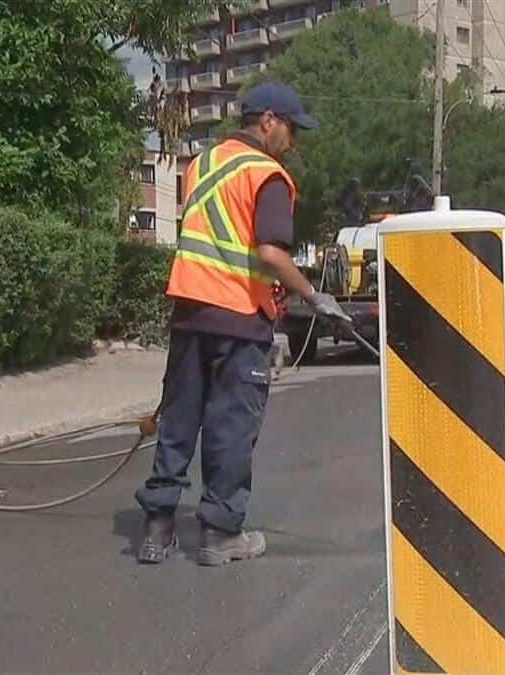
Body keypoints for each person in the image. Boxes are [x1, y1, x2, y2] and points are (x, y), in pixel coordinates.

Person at [134, 81, 348, 566]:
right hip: (236, 316)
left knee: (180, 418)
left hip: (190, 311)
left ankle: (157, 528)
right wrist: (314, 295)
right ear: (268, 120)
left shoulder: (203, 163)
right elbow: (269, 254)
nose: (292, 141)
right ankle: (219, 533)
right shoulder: (267, 175)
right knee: (231, 425)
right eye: (291, 129)